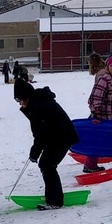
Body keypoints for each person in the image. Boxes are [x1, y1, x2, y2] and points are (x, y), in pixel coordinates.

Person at [14, 77, 77, 210]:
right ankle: (54, 198)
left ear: (26, 97)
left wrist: (34, 153)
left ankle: (55, 201)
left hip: (62, 137)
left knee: (47, 164)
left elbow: (41, 134)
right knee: (47, 164)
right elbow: (42, 134)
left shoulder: (38, 106)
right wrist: (36, 152)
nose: (20, 104)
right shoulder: (38, 102)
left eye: (19, 100)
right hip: (56, 136)